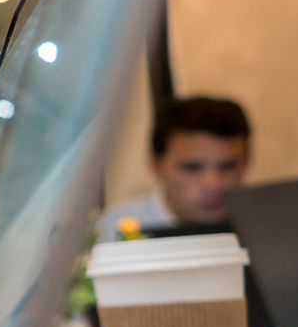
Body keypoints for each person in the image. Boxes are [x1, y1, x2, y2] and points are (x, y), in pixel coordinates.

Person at [96, 94, 250, 238]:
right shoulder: (111, 230)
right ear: (155, 165)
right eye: (192, 167)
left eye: (228, 166)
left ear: (246, 162)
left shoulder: (266, 222)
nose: (213, 184)